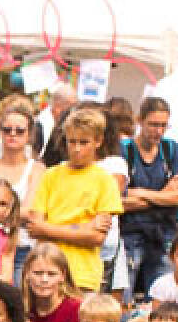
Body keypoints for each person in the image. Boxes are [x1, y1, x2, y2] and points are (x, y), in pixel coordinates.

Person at [26, 106, 122, 294]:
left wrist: (48, 228)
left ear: (98, 141)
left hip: (83, 274)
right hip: (46, 271)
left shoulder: (105, 180)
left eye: (84, 142)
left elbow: (96, 238)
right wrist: (84, 227)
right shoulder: (50, 175)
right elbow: (35, 228)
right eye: (72, 142)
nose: (77, 149)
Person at [116, 95, 178, 300]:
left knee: (162, 300)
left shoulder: (170, 149)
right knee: (124, 298)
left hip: (163, 234)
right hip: (129, 234)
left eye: (164, 125)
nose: (159, 131)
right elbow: (118, 201)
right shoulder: (124, 150)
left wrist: (139, 192)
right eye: (153, 124)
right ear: (140, 120)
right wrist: (163, 195)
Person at [0, 95, 45, 280]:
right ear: (0, 131)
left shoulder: (37, 169)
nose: (12, 134)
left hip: (24, 249)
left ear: (29, 134)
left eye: (20, 131)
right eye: (7, 130)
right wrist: (16, 214)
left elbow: (31, 212)